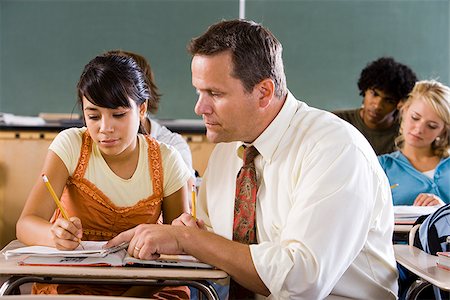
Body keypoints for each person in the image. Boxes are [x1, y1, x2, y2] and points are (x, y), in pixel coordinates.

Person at [107, 19, 399, 299]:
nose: (199, 107)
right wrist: (183, 235)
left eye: (214, 93)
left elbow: (301, 282)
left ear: (264, 93)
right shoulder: (228, 150)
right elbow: (214, 242)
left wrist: (191, 241)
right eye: (199, 91)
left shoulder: (335, 149)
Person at [16, 54, 191, 298]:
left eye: (118, 115)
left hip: (147, 284)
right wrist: (53, 235)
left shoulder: (167, 159)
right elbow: (25, 223)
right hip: (74, 282)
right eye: (93, 116)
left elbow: (179, 246)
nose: (105, 128)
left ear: (141, 109)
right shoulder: (71, 145)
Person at [103, 49, 195, 178]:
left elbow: (187, 195)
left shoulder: (172, 147)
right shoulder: (89, 143)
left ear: (142, 106)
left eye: (118, 113)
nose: (106, 127)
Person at [378, 80, 450, 206]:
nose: (419, 129)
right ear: (404, 111)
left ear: (443, 130)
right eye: (415, 118)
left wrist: (442, 212)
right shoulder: (382, 166)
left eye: (432, 126)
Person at [334, 57, 418, 155]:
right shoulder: (338, 121)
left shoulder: (407, 134)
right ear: (364, 90)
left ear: (399, 104)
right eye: (374, 94)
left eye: (389, 101)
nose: (377, 105)